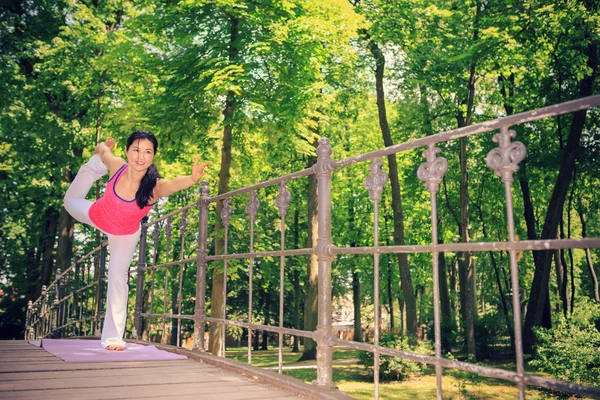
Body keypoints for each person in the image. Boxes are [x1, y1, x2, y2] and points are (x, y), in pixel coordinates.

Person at [64, 130, 209, 351]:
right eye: (136, 150)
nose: (141, 156)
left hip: (124, 234)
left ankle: (113, 338)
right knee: (70, 200)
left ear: (153, 156)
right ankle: (93, 165)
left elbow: (172, 184)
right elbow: (105, 153)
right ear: (127, 151)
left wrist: (191, 179)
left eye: (147, 152)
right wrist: (101, 150)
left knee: (118, 277)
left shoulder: (153, 187)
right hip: (96, 215)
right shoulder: (117, 166)